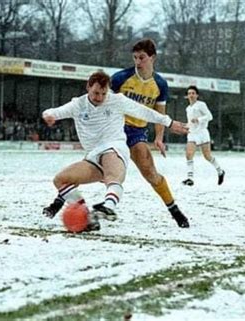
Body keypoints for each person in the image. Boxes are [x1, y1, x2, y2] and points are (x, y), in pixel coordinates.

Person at [42, 71, 189, 231]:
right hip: (93, 157)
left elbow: (145, 112)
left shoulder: (117, 100)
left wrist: (169, 122)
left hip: (114, 148)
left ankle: (108, 206)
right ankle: (88, 217)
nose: (99, 97)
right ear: (88, 87)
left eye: (103, 94)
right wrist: (48, 115)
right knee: (60, 180)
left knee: (113, 177)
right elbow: (54, 111)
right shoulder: (78, 104)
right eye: (96, 93)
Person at [110, 38, 189, 228]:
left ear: (153, 58)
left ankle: (174, 209)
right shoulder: (120, 78)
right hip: (115, 130)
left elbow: (159, 114)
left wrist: (159, 138)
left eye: (142, 58)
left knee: (151, 173)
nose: (137, 62)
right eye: (135, 57)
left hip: (137, 132)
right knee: (105, 171)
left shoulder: (160, 84)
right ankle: (100, 205)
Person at [181, 85, 225, 186]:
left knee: (207, 156)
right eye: (189, 94)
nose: (191, 95)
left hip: (202, 132)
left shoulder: (201, 105)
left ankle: (220, 171)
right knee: (189, 154)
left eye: (193, 93)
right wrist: (184, 126)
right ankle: (190, 178)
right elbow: (190, 122)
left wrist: (199, 120)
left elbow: (210, 116)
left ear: (197, 95)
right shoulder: (188, 108)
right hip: (192, 133)